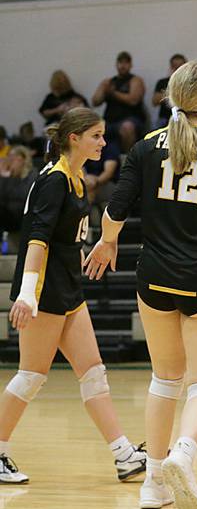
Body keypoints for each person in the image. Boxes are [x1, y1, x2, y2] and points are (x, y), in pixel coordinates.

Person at [83, 61, 197, 509]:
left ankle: (153, 482)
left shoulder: (143, 146)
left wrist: (106, 241)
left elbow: (115, 208)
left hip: (153, 275)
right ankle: (183, 453)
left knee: (165, 379)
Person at [3, 108, 146, 485]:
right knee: (31, 376)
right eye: (96, 136)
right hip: (45, 288)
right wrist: (27, 294)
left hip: (68, 286)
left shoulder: (77, 178)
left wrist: (87, 250)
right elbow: (36, 239)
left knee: (94, 374)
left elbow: (66, 235)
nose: (103, 142)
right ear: (74, 138)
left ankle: (124, 455)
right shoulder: (52, 180)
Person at [91, 51, 147, 153]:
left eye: (126, 63)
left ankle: (125, 158)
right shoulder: (109, 82)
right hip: (109, 120)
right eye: (120, 63)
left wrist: (113, 93)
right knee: (91, 128)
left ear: (130, 65)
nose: (123, 66)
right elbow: (95, 102)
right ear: (116, 65)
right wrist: (103, 89)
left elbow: (133, 100)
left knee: (127, 127)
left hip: (131, 118)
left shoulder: (135, 80)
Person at [0, 146, 36, 238]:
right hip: (11, 223)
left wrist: (5, 178)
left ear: (22, 160)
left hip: (25, 222)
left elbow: (25, 196)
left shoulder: (33, 175)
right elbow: (3, 199)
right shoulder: (10, 177)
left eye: (12, 159)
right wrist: (4, 177)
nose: (9, 163)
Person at [152, 54, 188, 129]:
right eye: (175, 66)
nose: (177, 69)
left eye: (180, 66)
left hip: (187, 117)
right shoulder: (163, 82)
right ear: (171, 67)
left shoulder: (191, 83)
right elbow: (154, 102)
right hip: (165, 118)